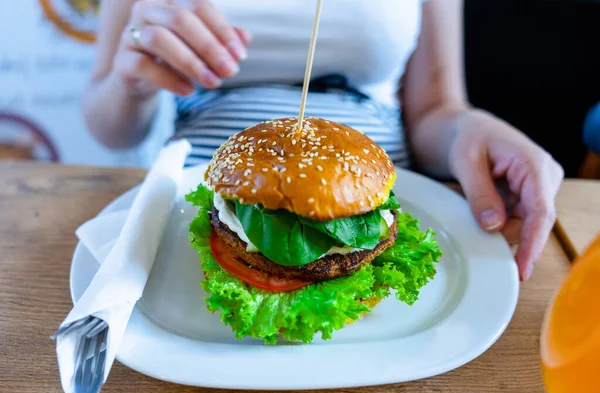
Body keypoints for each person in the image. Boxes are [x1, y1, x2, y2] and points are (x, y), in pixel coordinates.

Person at [82, 0, 564, 281]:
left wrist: (469, 129)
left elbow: (436, 107)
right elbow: (109, 127)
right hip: (205, 188)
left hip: (378, 185)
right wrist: (132, 78)